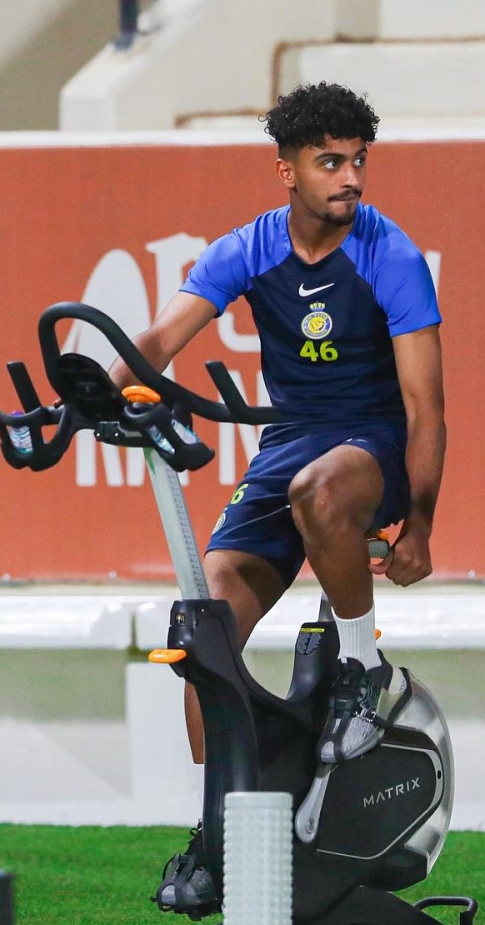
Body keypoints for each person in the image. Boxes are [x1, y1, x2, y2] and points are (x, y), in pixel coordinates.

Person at [108, 82, 444, 914]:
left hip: (371, 446)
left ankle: (363, 669)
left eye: (359, 161)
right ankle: (221, 822)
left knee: (319, 489)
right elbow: (159, 339)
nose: (351, 178)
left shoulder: (388, 255)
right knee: (205, 621)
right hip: (289, 441)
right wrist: (95, 387)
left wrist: (421, 526)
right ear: (285, 170)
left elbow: (425, 406)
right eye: (330, 161)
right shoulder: (248, 248)